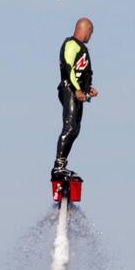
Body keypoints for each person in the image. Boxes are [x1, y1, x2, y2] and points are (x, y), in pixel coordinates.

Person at [51, 17, 98, 178]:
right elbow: (68, 68)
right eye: (90, 33)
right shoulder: (71, 44)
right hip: (69, 90)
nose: (90, 37)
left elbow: (79, 72)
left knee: (75, 129)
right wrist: (77, 89)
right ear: (87, 30)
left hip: (77, 92)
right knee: (70, 126)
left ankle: (62, 163)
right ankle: (58, 166)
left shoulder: (81, 48)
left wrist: (87, 88)